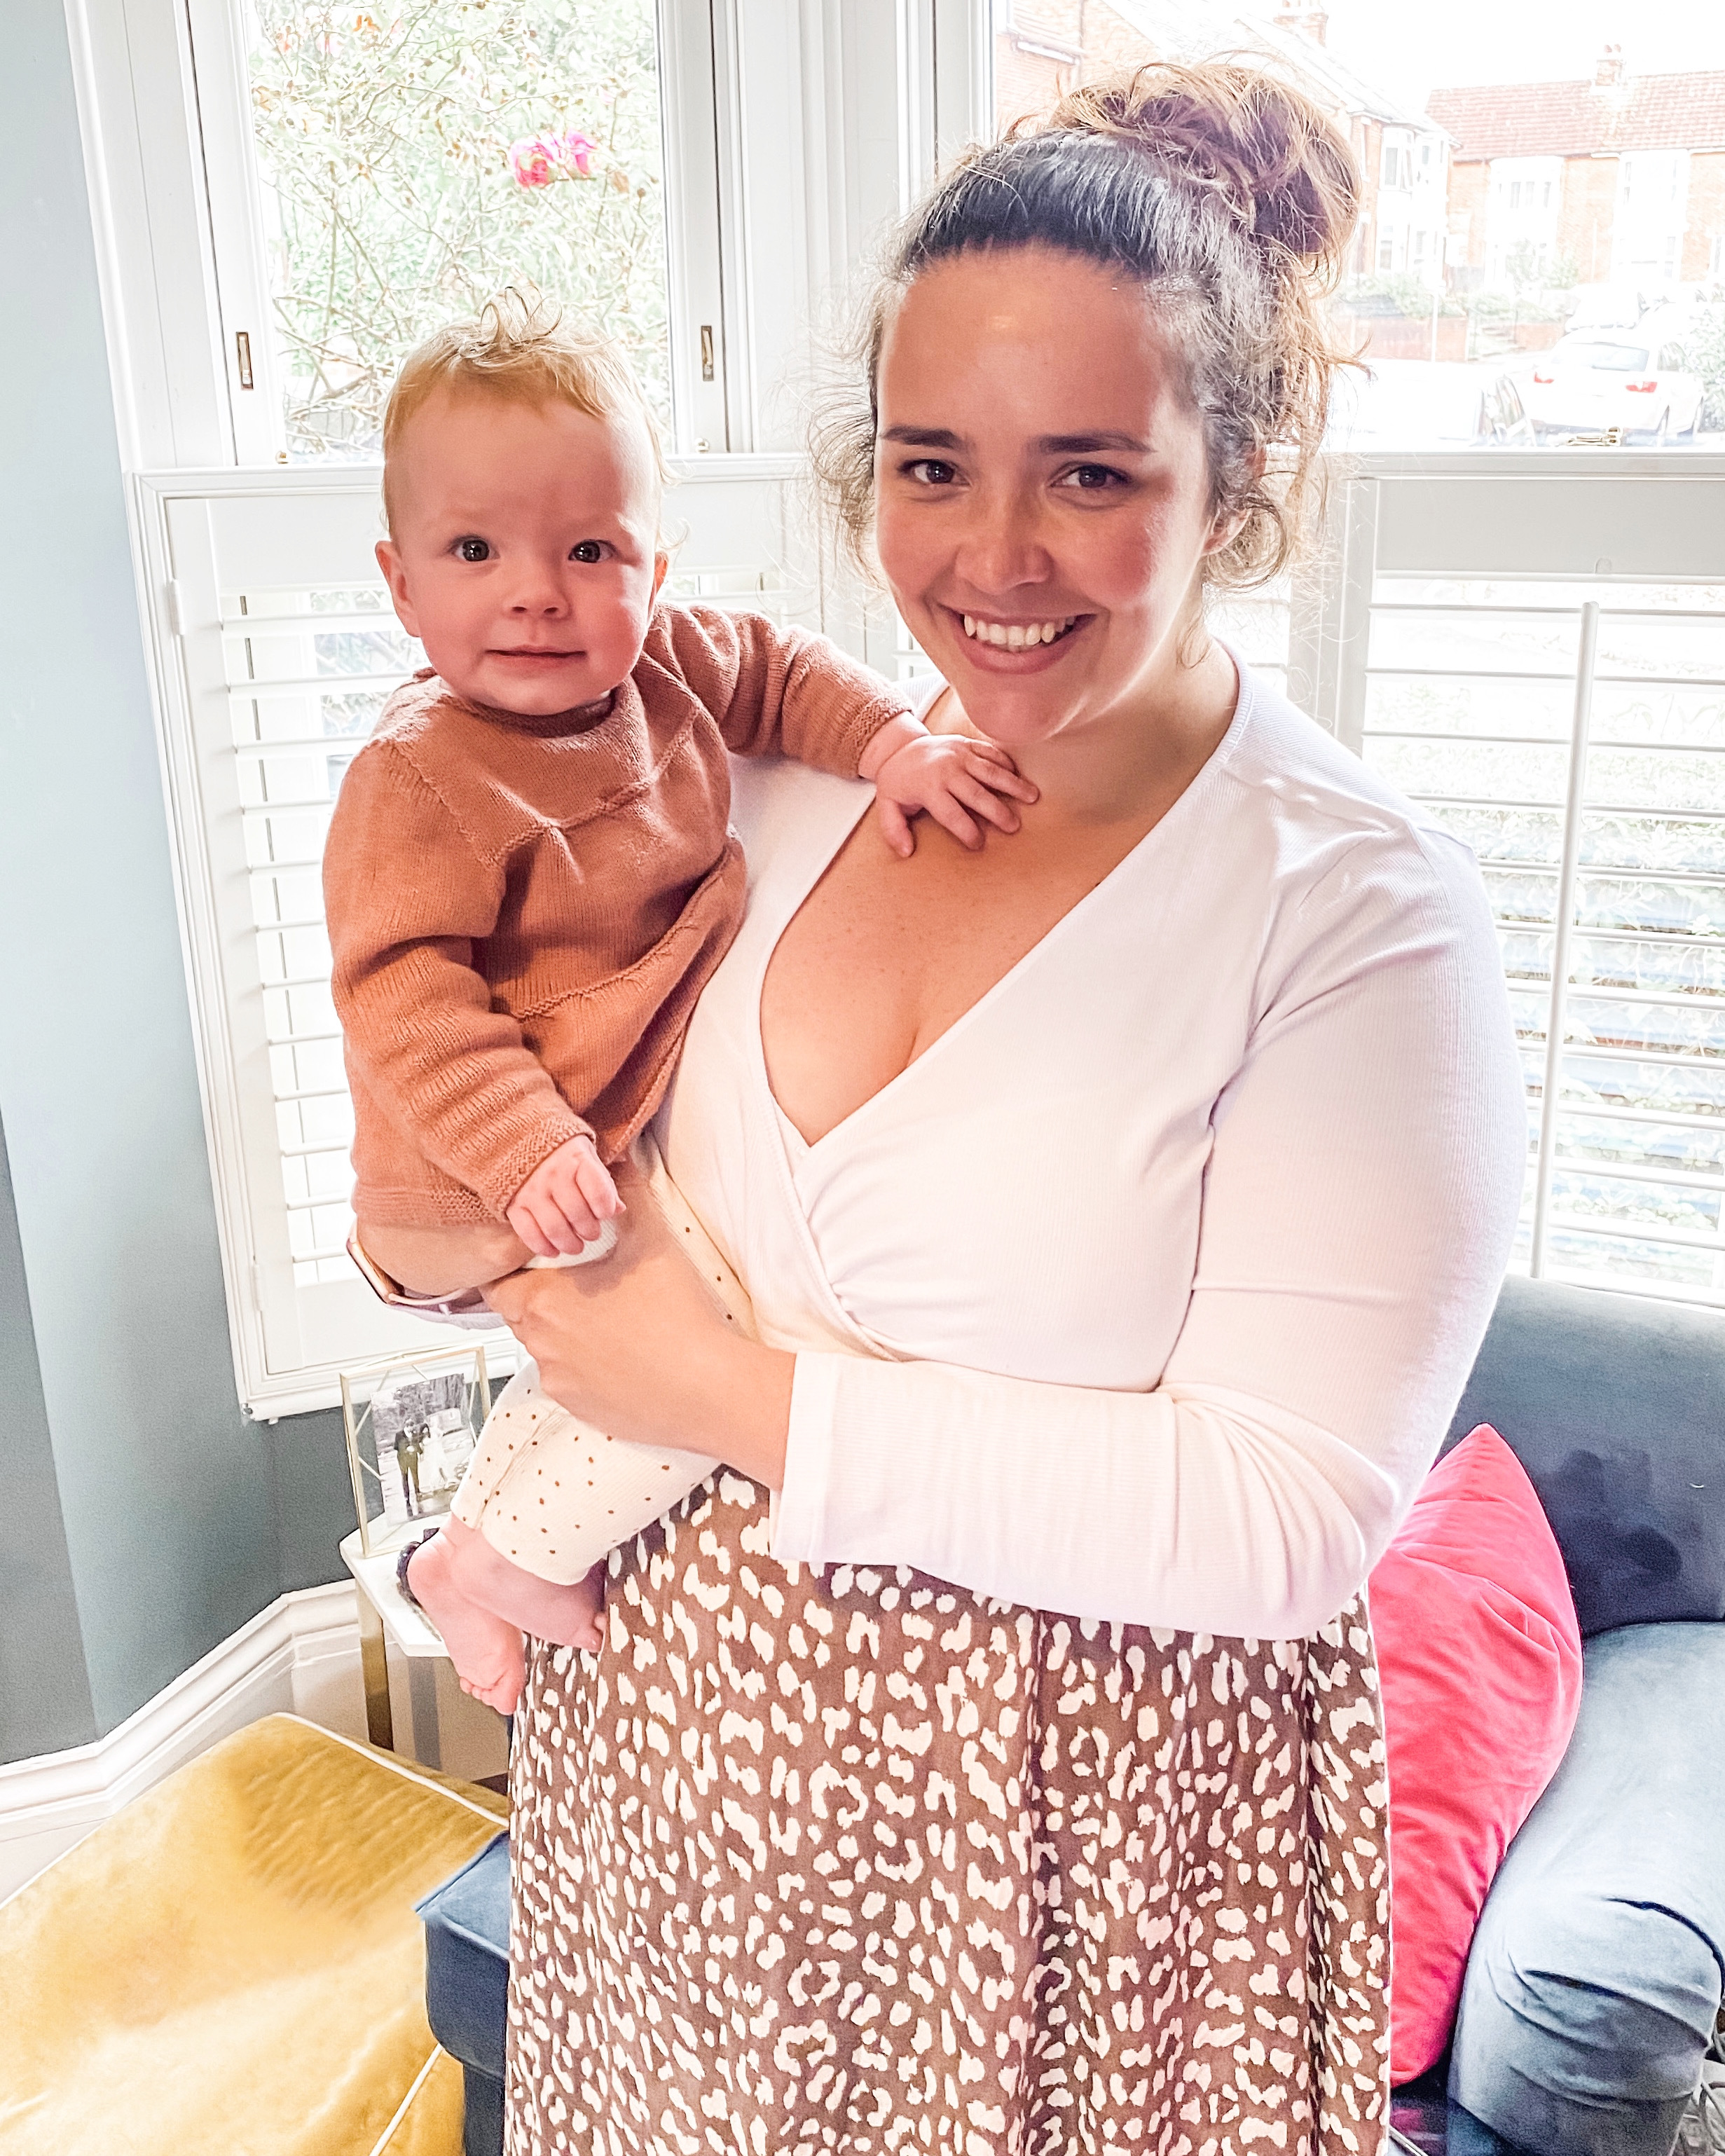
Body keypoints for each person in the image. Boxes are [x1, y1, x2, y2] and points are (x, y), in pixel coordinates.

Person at [474, 61, 1527, 2155]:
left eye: (1091, 475)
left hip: (1065, 1879)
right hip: (671, 1804)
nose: (992, 555)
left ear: (1229, 480)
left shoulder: (1351, 909)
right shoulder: (770, 788)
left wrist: (739, 1400)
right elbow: (600, 1188)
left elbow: (1283, 1513)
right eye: (932, 464)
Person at [324, 296, 1034, 1711]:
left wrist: (893, 747)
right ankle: (509, 1557)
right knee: (712, 1321)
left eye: (589, 552)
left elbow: (780, 675)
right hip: (468, 1157)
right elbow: (402, 995)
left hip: (588, 1124)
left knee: (625, 1338)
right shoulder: (419, 777)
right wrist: (524, 1149)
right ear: (403, 589)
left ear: (655, 563)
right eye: (477, 552)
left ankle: (468, 1550)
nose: (536, 592)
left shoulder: (667, 670)